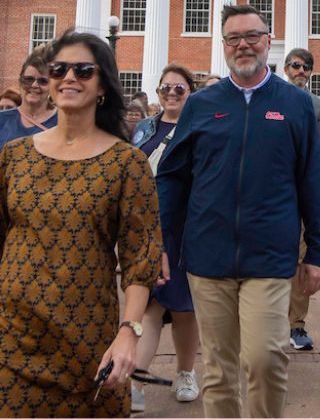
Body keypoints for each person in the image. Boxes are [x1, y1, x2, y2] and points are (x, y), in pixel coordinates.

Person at [0, 32, 162, 417]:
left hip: (86, 338)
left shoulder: (127, 163)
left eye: (83, 70)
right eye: (59, 69)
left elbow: (139, 261)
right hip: (9, 335)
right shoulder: (15, 156)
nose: (68, 77)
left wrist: (129, 332)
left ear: (102, 87)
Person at [157, 4, 320, 418]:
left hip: (269, 257)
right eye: (234, 38)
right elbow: (172, 178)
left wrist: (318, 253)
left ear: (269, 41)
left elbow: (311, 182)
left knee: (265, 359)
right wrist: (161, 243)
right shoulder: (201, 105)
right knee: (219, 370)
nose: (243, 45)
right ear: (224, 46)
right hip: (207, 255)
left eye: (252, 36)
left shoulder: (296, 105)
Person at [130, 64, 200, 412]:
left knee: (184, 309)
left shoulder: (200, 128)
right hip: (145, 230)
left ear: (190, 92)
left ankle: (186, 373)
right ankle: (137, 379)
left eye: (179, 89)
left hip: (186, 230)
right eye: (165, 89)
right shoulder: (144, 129)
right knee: (148, 305)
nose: (171, 94)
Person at [281, 47, 320, 352]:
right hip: (273, 193)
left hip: (303, 194)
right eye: (296, 65)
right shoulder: (270, 98)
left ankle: (296, 325)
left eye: (306, 66)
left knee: (302, 258)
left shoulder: (317, 106)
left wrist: (317, 189)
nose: (301, 71)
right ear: (286, 68)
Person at [0, 48, 57, 224]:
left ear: (51, 86)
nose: (34, 86)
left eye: (42, 81)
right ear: (20, 82)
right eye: (29, 79)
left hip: (44, 224)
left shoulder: (62, 124)